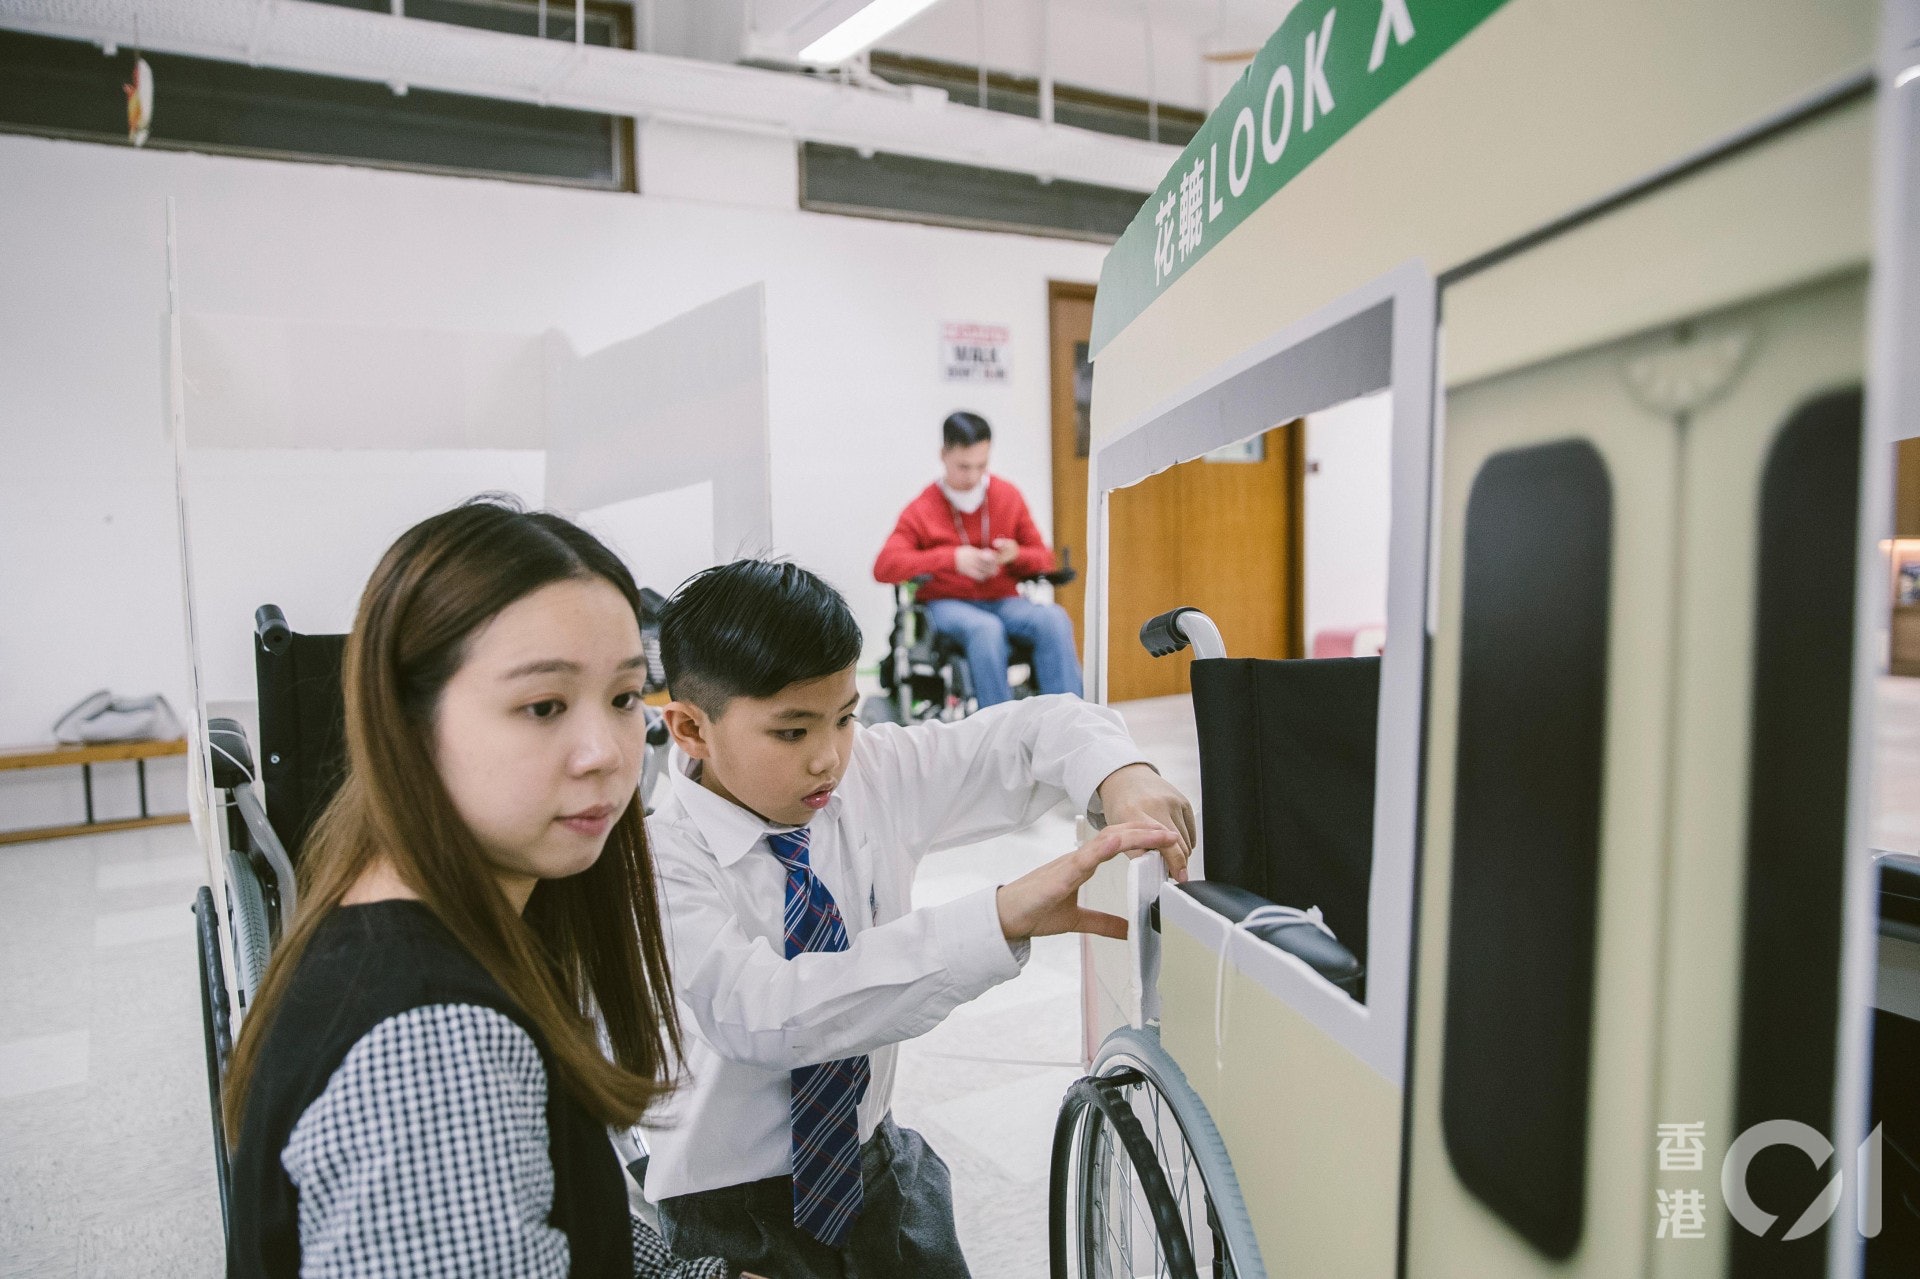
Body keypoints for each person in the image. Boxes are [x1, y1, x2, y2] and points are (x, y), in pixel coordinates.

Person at [222, 498, 743, 1279]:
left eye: (627, 697)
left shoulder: (412, 911)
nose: (606, 751)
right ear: (408, 719)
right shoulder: (438, 1050)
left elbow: (550, 1215)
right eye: (543, 706)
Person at [642, 558, 1195, 1279]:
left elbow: (1036, 728)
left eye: (844, 715)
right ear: (689, 727)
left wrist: (1123, 774)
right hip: (731, 1209)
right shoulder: (660, 858)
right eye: (791, 731)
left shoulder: (871, 767)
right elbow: (769, 1016)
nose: (829, 757)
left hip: (874, 1168)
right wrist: (996, 920)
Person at [873, 410, 1084, 706]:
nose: (972, 476)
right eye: (963, 466)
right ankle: (998, 733)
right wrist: (952, 558)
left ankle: (1068, 720)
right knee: (986, 629)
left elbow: (1044, 558)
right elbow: (884, 567)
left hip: (1004, 600)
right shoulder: (922, 508)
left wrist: (1015, 555)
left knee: (1054, 618)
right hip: (949, 604)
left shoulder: (1007, 496)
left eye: (981, 465)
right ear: (943, 455)